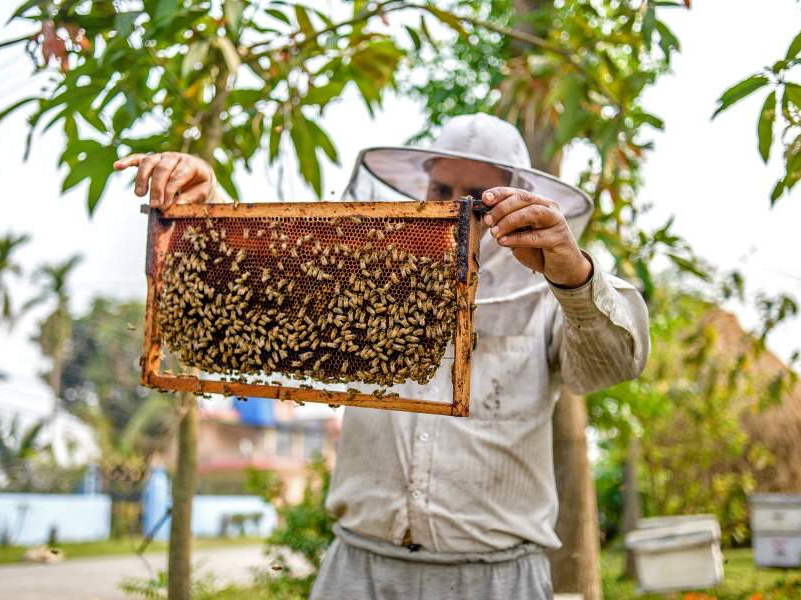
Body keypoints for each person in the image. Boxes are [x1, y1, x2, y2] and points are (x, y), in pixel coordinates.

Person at [115, 113, 650, 599]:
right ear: (423, 189)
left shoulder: (550, 290)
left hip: (497, 577)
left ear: (517, 198)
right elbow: (259, 288)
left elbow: (613, 363)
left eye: (480, 197)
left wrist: (572, 276)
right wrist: (203, 210)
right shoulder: (370, 270)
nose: (459, 206)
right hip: (360, 569)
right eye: (443, 188)